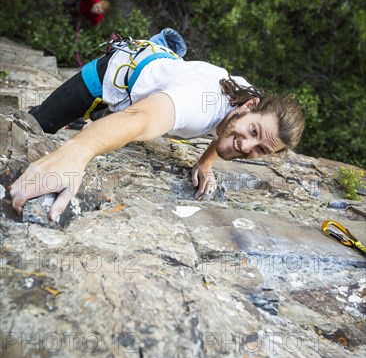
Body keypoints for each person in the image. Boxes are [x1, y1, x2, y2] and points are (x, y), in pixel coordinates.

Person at [10, 36, 305, 220]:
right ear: (250, 105)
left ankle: (96, 121)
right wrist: (76, 154)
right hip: (110, 76)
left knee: (106, 122)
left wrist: (206, 161)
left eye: (261, 150)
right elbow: (140, 119)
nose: (246, 147)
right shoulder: (198, 103)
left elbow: (231, 134)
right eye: (254, 133)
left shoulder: (244, 102)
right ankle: (90, 121)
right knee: (38, 125)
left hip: (154, 78)